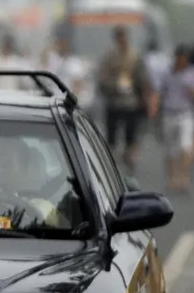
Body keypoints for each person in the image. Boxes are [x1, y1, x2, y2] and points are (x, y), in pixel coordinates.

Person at [96, 25, 156, 171]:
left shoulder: (135, 56)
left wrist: (145, 95)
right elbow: (102, 79)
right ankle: (111, 161)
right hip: (114, 101)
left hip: (131, 101)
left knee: (131, 132)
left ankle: (129, 159)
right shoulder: (110, 57)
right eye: (119, 37)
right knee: (112, 133)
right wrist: (114, 85)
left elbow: (143, 78)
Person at [157, 45, 194, 192]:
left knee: (185, 146)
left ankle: (183, 177)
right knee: (171, 149)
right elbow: (160, 92)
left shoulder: (191, 74)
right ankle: (172, 178)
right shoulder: (167, 73)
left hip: (184, 113)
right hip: (169, 113)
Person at [43, 33, 91, 111]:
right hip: (51, 102)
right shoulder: (52, 60)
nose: (62, 46)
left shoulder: (74, 63)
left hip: (68, 104)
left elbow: (78, 84)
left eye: (64, 44)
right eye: (59, 43)